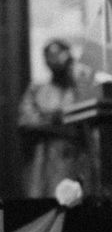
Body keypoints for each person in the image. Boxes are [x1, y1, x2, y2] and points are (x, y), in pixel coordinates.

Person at [18, 39, 92, 198]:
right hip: (44, 161)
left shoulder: (79, 88)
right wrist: (58, 122)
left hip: (74, 159)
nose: (54, 59)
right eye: (49, 55)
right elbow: (27, 122)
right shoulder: (37, 89)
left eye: (58, 54)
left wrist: (52, 121)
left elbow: (83, 121)